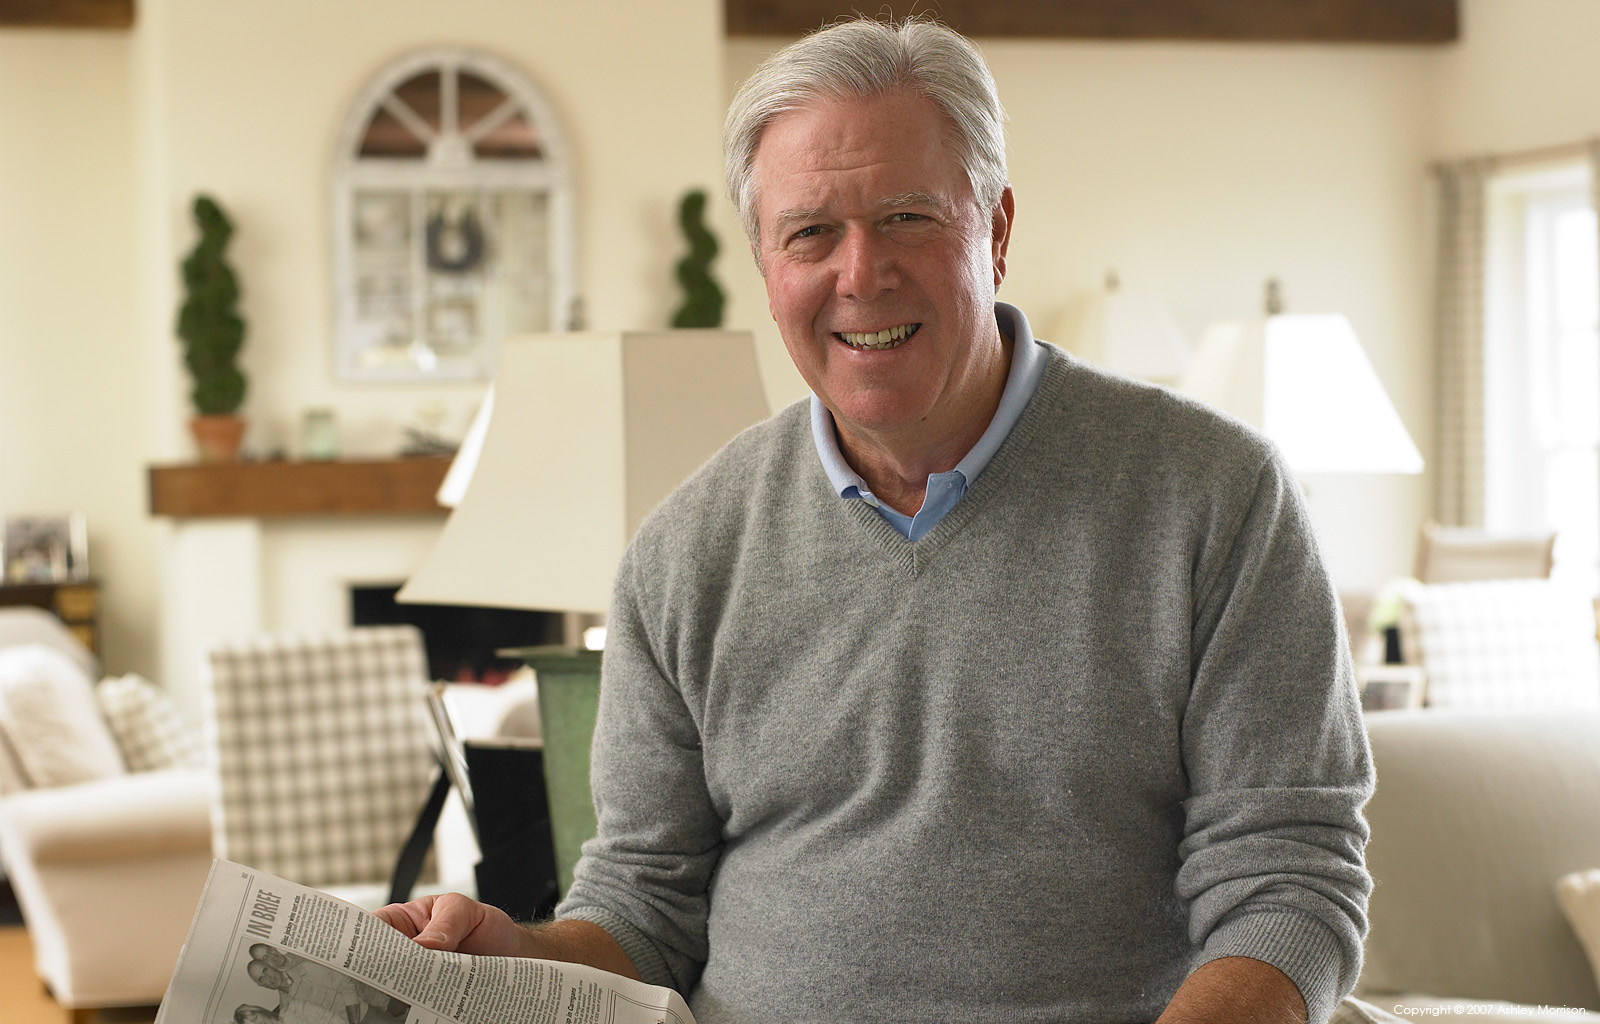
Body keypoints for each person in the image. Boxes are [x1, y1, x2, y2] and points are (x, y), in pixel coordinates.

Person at [377, 16, 1373, 1023]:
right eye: (810, 233)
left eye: (906, 217)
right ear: (765, 263)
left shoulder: (1217, 496)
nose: (861, 273)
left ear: (995, 230)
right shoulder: (682, 554)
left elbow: (1287, 886)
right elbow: (643, 909)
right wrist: (516, 954)